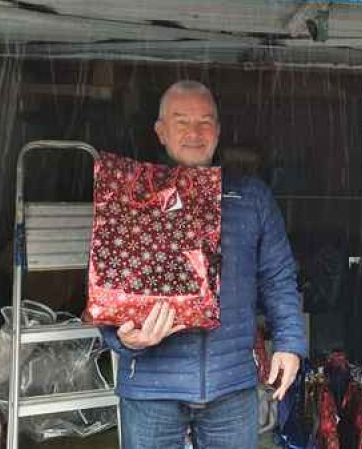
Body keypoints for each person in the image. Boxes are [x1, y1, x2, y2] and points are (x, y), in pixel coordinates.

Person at [98, 80, 306, 449]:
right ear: (160, 132)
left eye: (205, 122)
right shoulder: (130, 195)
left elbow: (278, 276)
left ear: (219, 131)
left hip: (231, 385)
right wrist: (122, 337)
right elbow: (108, 283)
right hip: (151, 386)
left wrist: (289, 343)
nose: (195, 133)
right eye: (181, 122)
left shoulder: (250, 196)